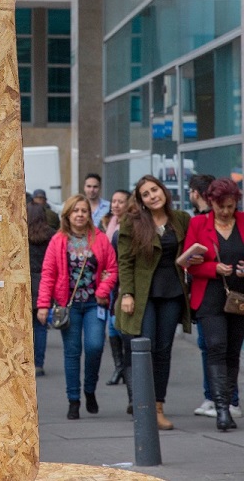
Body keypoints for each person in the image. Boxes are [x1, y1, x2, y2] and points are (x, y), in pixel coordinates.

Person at [115, 174, 191, 430]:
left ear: (164, 191)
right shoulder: (132, 222)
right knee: (144, 348)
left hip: (172, 293)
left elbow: (192, 248)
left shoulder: (180, 219)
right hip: (143, 294)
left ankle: (158, 406)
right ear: (141, 201)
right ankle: (142, 405)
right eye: (146, 194)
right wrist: (127, 293)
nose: (152, 196)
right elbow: (124, 261)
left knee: (164, 350)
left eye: (155, 190)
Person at [37, 194, 117, 420]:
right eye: (75, 211)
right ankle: (73, 400)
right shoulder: (58, 240)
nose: (80, 214)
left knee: (94, 347)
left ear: (89, 215)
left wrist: (103, 291)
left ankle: (89, 389)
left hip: (94, 304)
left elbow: (112, 268)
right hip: (68, 306)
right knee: (72, 353)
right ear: (68, 215)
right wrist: (43, 305)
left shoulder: (100, 239)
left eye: (83, 211)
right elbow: (48, 274)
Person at [183, 177, 244, 432]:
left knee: (232, 351)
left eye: (231, 206)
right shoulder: (198, 224)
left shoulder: (242, 222)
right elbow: (188, 261)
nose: (227, 212)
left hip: (239, 297)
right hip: (209, 296)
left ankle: (229, 404)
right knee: (216, 346)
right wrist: (212, 267)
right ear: (211, 202)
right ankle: (220, 409)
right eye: (221, 207)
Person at [100, 189, 130, 386]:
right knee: (111, 326)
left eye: (120, 201)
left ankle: (124, 366)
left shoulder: (129, 226)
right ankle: (119, 365)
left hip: (123, 281)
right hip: (110, 280)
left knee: (117, 324)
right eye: (114, 201)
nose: (116, 205)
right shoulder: (109, 223)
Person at [27, 202, 55, 377]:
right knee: (41, 326)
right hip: (44, 282)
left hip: (26, 282)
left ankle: (26, 360)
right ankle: (39, 363)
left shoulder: (20, 234)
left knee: (26, 326)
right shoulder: (51, 235)